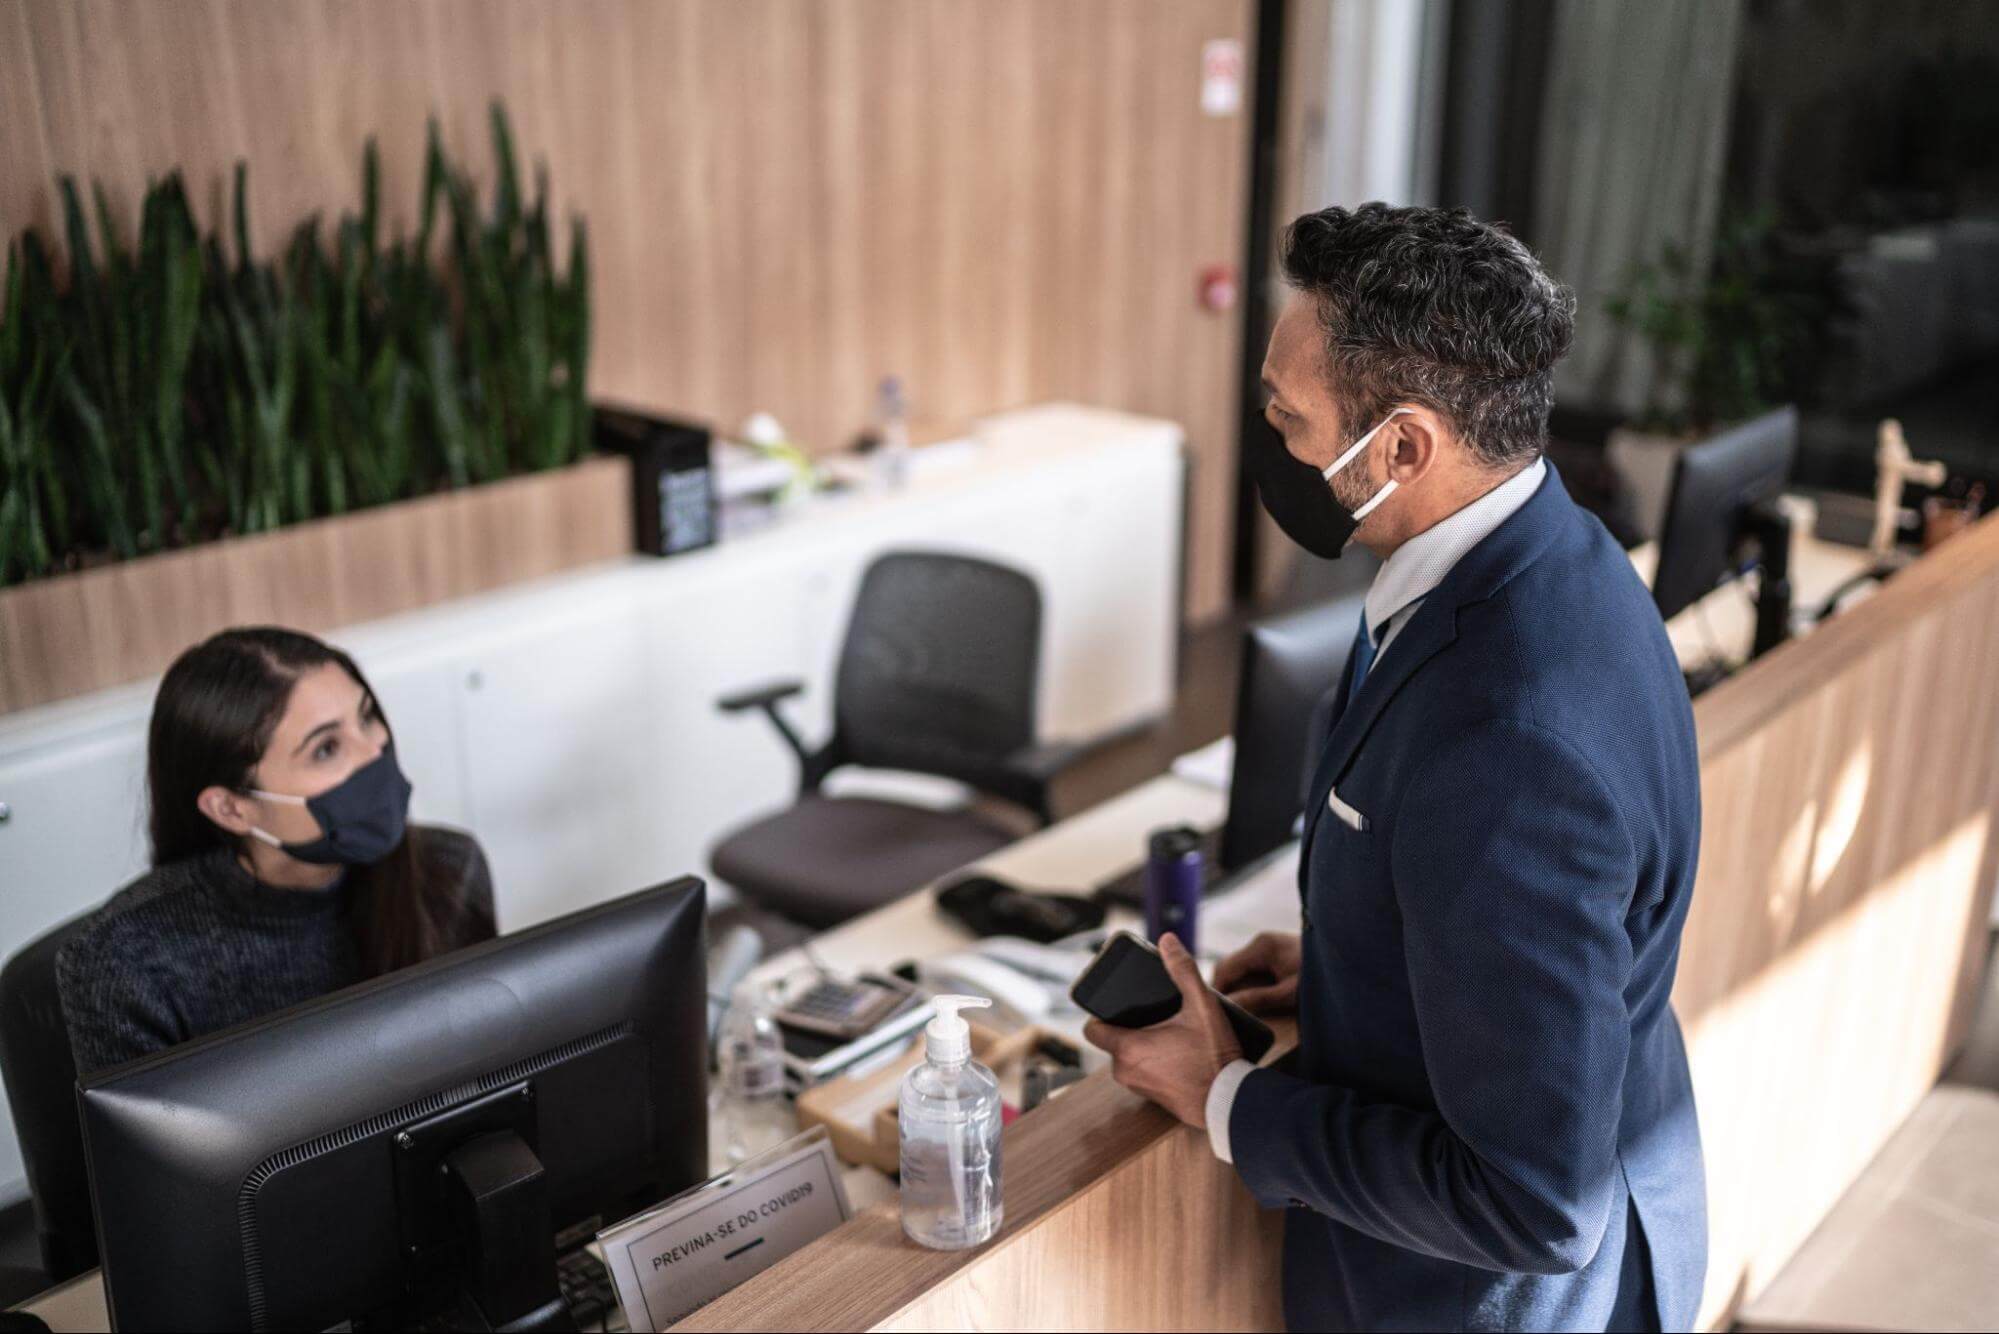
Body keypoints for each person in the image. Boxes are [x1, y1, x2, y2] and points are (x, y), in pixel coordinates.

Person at [1084, 204, 1705, 1332]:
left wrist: (1223, 1097)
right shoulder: (1541, 546)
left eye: (1288, 416)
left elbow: (1532, 1202)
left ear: (1403, 445)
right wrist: (1356, 963)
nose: (1272, 441)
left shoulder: (1513, 741)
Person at [57, 627, 496, 1074]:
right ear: (231, 809)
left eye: (366, 718)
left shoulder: (449, 871)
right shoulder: (125, 965)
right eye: (326, 749)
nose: (375, 752)